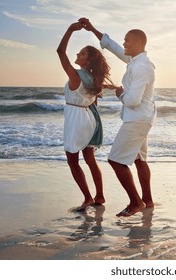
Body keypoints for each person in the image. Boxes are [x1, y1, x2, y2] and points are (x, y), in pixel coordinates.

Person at [79, 17, 156, 217]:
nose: (124, 44)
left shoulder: (141, 67)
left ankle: (135, 202)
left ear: (138, 43)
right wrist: (93, 29)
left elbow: (132, 100)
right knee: (140, 160)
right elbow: (112, 46)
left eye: (127, 40)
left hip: (137, 119)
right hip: (142, 118)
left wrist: (120, 92)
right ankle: (147, 200)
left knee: (115, 161)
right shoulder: (135, 60)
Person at [56, 21, 114, 211]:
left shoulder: (76, 76)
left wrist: (70, 29)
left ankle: (88, 198)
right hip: (90, 118)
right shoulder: (93, 78)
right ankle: (99, 196)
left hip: (76, 118)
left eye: (81, 54)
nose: (77, 55)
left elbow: (60, 52)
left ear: (87, 61)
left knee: (73, 161)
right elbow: (94, 102)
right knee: (89, 159)